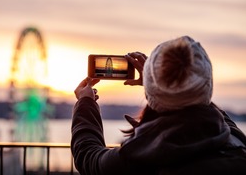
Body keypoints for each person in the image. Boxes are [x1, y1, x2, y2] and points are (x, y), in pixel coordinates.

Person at [71, 36, 246, 175]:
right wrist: (158, 84)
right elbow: (199, 98)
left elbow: (89, 157)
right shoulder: (236, 142)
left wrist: (85, 103)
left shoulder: (138, 156)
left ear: (152, 93)